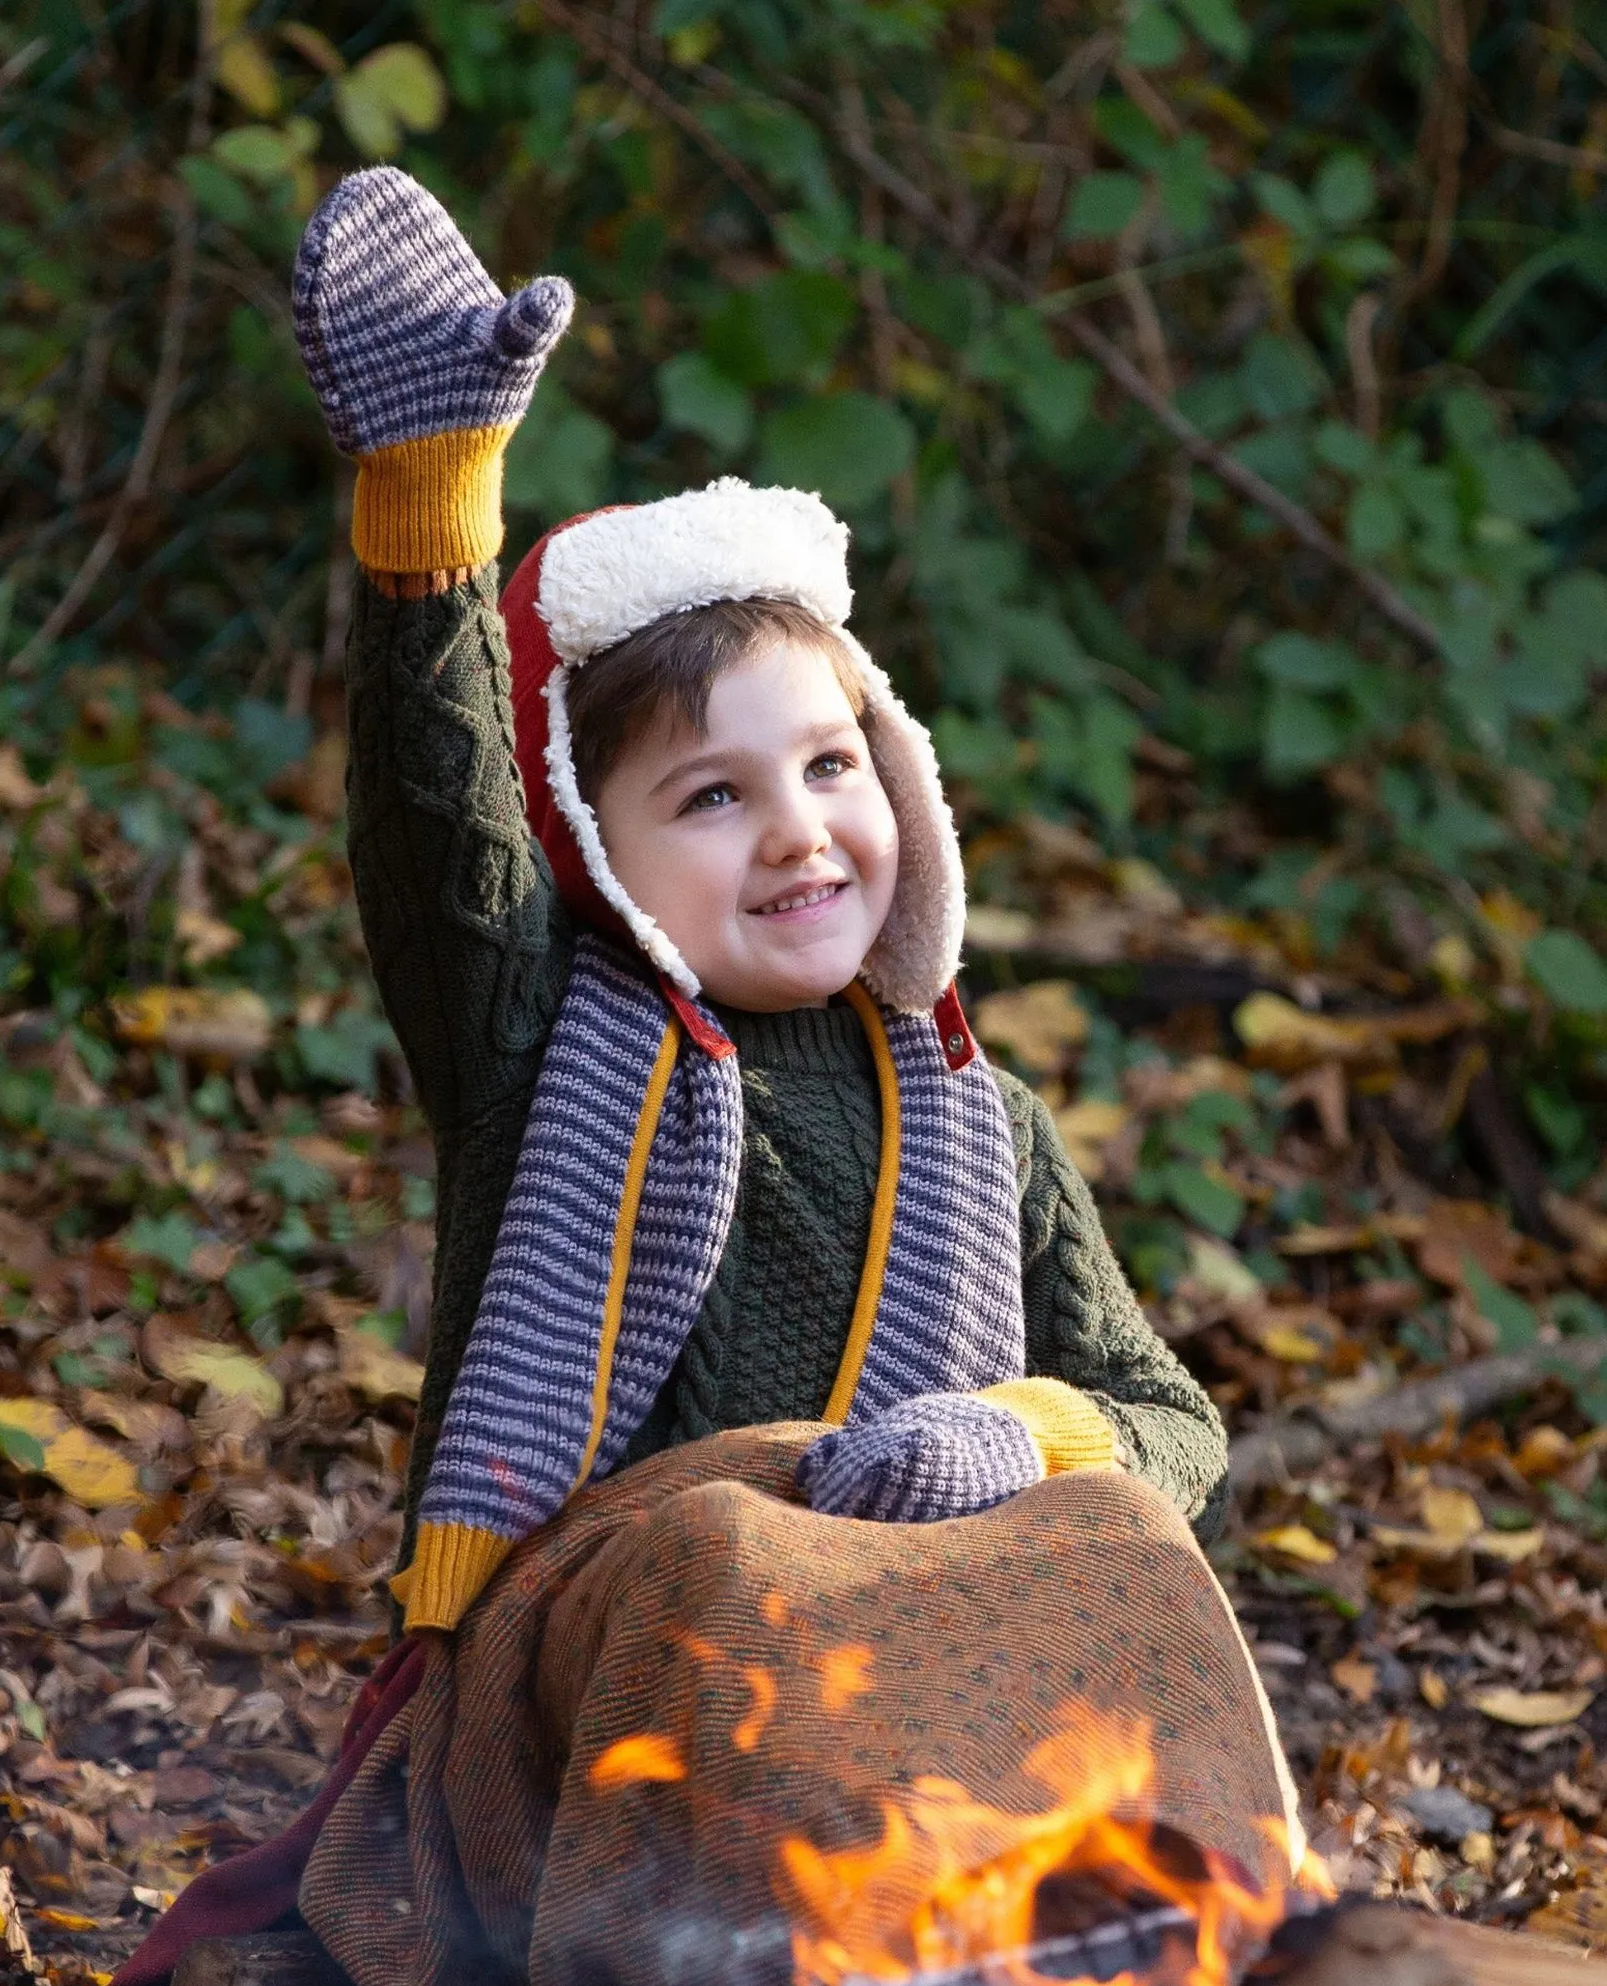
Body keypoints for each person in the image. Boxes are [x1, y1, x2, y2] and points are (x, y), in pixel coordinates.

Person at [291, 167, 1233, 1638]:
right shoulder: (537, 1050)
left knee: (1131, 1592)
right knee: (724, 1540)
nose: (798, 834)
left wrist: (1016, 1435)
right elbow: (439, 835)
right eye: (714, 796)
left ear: (900, 782)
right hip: (601, 1708)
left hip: (902, 1709)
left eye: (826, 766)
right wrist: (431, 506)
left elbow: (1168, 1424)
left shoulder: (984, 1127)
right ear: (597, 854)